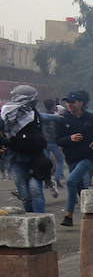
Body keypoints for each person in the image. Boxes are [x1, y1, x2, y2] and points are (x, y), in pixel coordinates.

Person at [54, 90, 93, 227]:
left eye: (73, 102)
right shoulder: (62, 119)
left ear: (80, 103)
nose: (69, 104)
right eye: (68, 102)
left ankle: (68, 214)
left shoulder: (91, 118)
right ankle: (88, 212)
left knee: (71, 181)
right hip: (71, 157)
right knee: (79, 186)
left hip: (87, 156)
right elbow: (58, 140)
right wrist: (69, 138)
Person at [1, 85, 53, 213]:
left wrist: (61, 118)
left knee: (36, 191)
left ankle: (41, 222)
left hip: (36, 157)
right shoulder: (7, 113)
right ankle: (31, 222)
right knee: (25, 196)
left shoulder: (35, 114)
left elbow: (47, 118)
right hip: (16, 159)